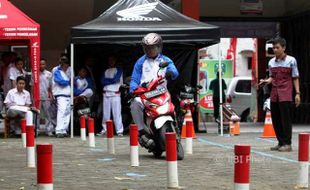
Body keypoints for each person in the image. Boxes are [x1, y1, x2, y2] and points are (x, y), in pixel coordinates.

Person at [129, 33, 179, 135]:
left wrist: (171, 72)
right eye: (147, 48)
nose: (149, 50)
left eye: (152, 47)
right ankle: (141, 129)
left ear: (159, 47)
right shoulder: (140, 62)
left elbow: (174, 71)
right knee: (135, 103)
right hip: (146, 94)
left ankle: (175, 126)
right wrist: (133, 89)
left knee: (172, 107)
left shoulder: (165, 59)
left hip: (161, 92)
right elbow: (134, 79)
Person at [259, 37, 300, 152]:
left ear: (284, 48)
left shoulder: (291, 60)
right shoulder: (271, 62)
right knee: (275, 119)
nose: (275, 50)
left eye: (277, 48)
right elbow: (272, 77)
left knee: (285, 119)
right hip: (274, 94)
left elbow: (295, 77)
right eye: (273, 48)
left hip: (286, 93)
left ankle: (288, 144)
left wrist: (297, 93)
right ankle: (280, 142)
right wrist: (267, 81)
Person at [98, 55, 124, 136]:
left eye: (112, 60)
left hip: (115, 94)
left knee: (117, 113)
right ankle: (104, 130)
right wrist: (111, 80)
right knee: (106, 114)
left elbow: (116, 79)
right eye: (110, 60)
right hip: (106, 93)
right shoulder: (105, 70)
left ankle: (119, 131)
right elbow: (102, 81)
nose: (111, 61)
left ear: (115, 61)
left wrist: (107, 80)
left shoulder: (119, 69)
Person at [52, 56, 71, 138]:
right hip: (61, 96)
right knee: (61, 113)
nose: (66, 66)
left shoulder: (65, 73)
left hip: (67, 95)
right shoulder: (57, 71)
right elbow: (61, 82)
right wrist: (68, 81)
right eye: (64, 64)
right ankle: (58, 130)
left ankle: (64, 129)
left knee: (67, 113)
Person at [35, 58, 54, 136]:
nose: (41, 65)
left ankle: (48, 130)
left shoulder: (49, 74)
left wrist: (51, 96)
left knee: (48, 114)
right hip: (37, 97)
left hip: (46, 97)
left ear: (45, 65)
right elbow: (32, 86)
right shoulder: (35, 74)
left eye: (43, 64)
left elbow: (51, 86)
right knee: (37, 114)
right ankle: (37, 130)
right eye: (40, 64)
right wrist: (33, 97)